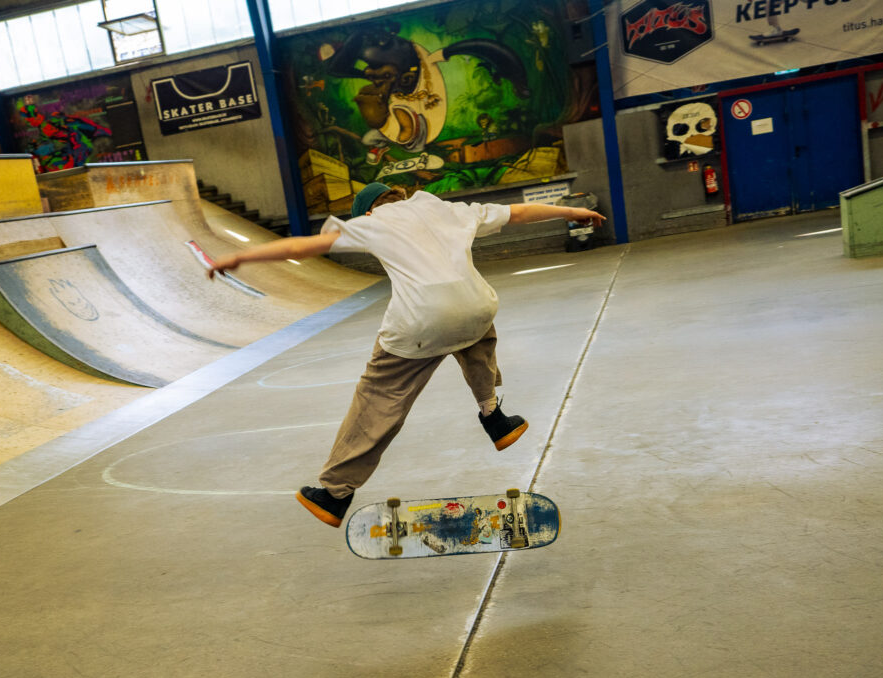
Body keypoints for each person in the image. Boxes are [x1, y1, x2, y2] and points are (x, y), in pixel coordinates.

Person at [208, 182, 605, 527]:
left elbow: (305, 245)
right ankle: (494, 417)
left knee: (379, 396)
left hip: (419, 322)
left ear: (366, 211)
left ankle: (334, 494)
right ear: (397, 196)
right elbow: (519, 212)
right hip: (476, 306)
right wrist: (574, 211)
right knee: (475, 335)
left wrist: (241, 257)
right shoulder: (447, 209)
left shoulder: (371, 222)